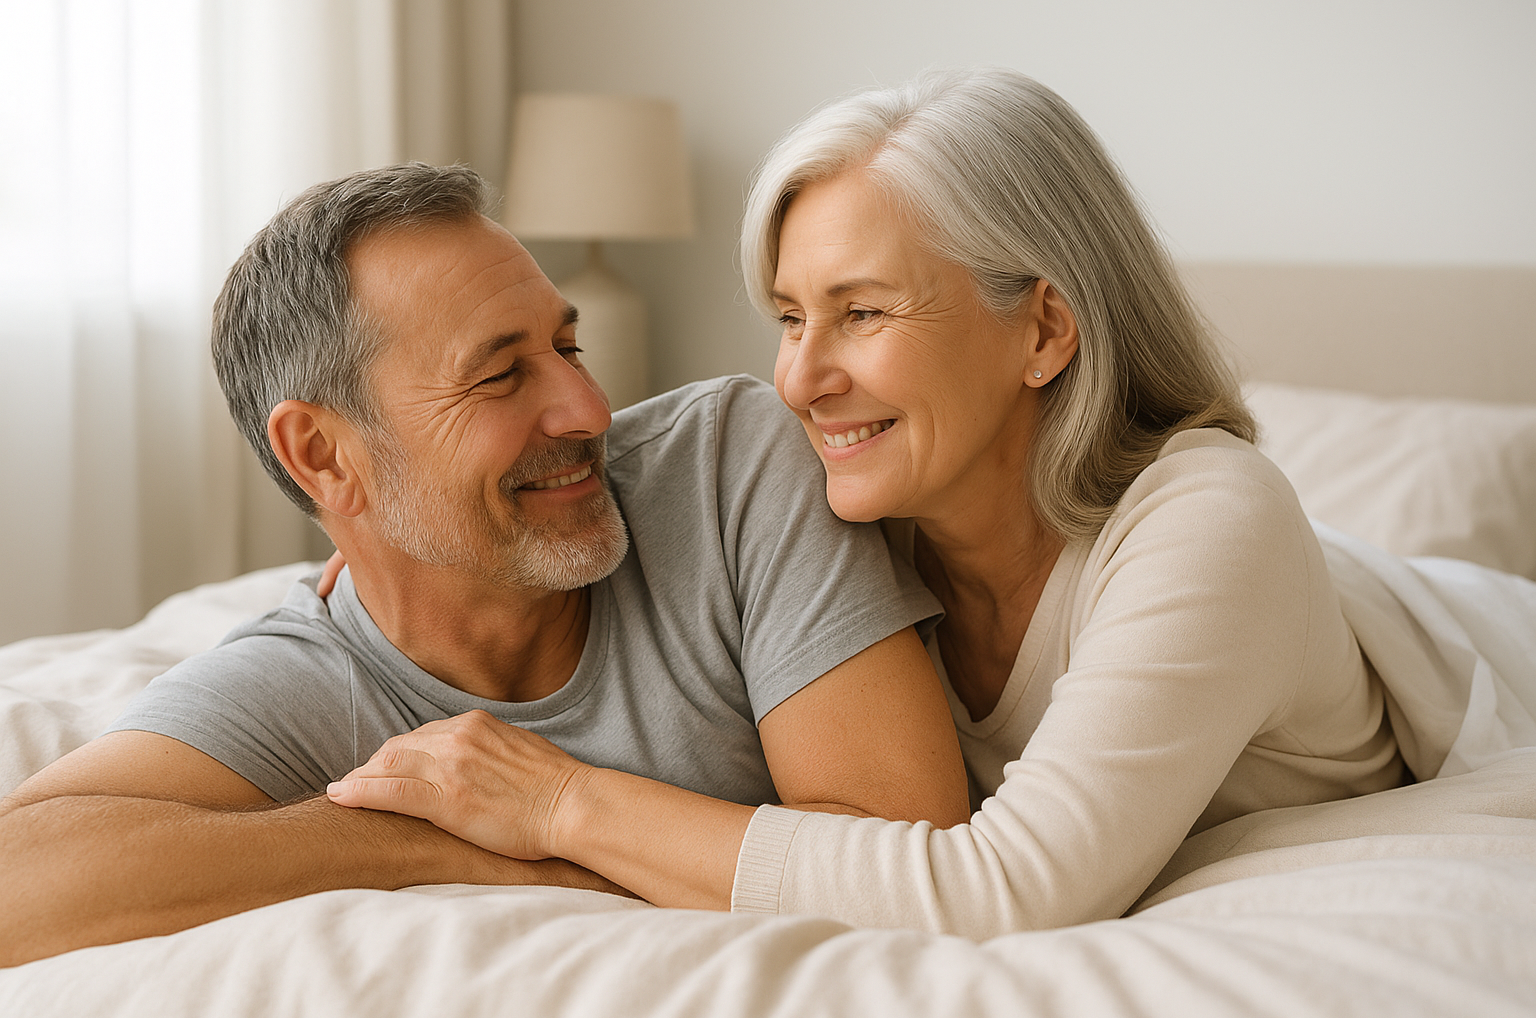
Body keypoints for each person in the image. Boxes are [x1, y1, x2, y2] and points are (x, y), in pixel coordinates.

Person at [322, 70, 1414, 939]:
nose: (800, 381)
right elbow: (668, 476)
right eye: (793, 317)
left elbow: (1005, 891)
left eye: (864, 313)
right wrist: (417, 549)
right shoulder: (846, 510)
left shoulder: (1210, 521)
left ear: (1043, 330)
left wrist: (562, 804)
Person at [0, 163, 969, 967]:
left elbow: (902, 853)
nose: (588, 408)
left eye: (567, 343)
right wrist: (422, 841)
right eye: (502, 375)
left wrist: (556, 807)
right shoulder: (303, 679)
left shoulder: (726, 465)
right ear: (325, 458)